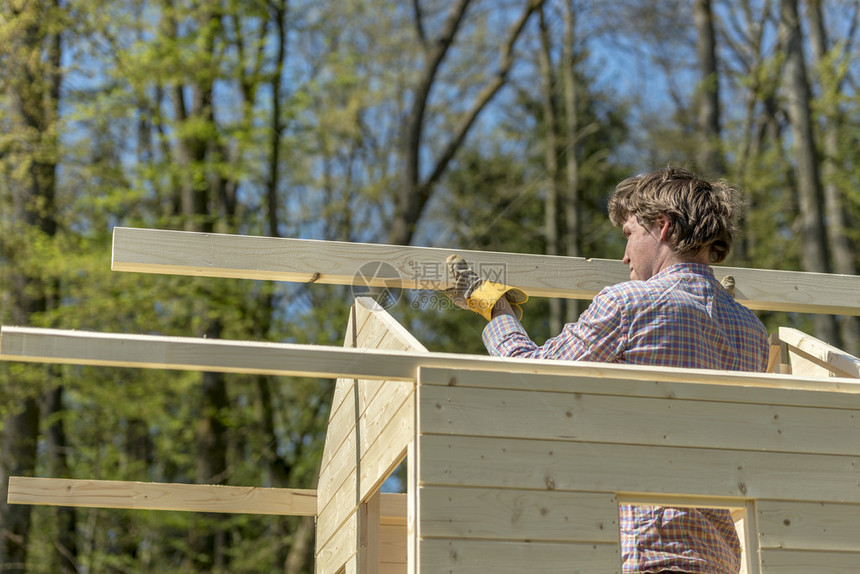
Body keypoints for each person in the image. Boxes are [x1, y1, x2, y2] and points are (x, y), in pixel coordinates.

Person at [444, 166, 769, 574]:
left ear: (663, 227)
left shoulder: (629, 304)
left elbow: (532, 377)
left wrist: (494, 308)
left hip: (649, 550)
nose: (624, 255)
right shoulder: (753, 333)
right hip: (718, 556)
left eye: (629, 234)